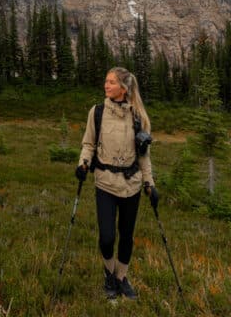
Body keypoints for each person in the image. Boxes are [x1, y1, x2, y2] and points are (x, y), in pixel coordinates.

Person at [75, 67, 158, 300]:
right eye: (106, 81)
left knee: (127, 236)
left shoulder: (138, 117)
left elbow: (144, 156)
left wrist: (149, 184)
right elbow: (88, 144)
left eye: (111, 82)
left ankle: (121, 277)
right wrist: (83, 164)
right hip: (105, 184)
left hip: (131, 185)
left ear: (124, 88)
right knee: (107, 237)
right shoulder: (98, 112)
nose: (106, 85)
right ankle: (108, 273)